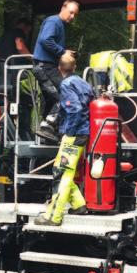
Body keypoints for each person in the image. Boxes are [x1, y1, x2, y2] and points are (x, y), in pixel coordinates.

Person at [35, 52, 94, 226]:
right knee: (64, 170)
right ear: (75, 67)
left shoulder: (67, 84)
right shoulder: (84, 83)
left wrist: (69, 132)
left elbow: (74, 109)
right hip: (83, 133)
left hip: (74, 135)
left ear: (59, 68)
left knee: (61, 174)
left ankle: (53, 216)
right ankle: (79, 205)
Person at [33, 0, 80, 142]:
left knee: (51, 99)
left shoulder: (59, 24)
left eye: (75, 15)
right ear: (63, 8)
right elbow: (46, 40)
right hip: (44, 66)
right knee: (66, 93)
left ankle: (48, 133)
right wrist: (62, 52)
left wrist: (66, 52)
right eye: (71, 12)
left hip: (47, 66)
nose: (72, 16)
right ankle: (47, 125)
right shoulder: (53, 21)